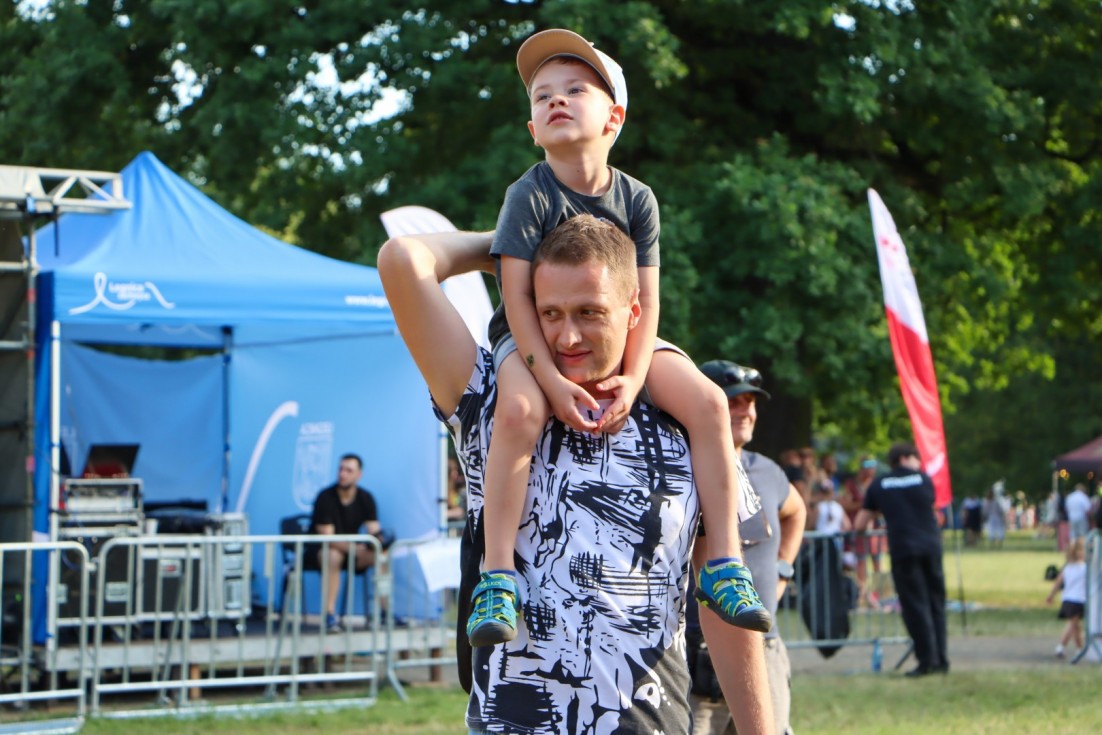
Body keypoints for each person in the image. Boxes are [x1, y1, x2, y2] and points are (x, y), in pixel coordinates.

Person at [378, 215, 773, 734]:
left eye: (589, 312)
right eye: (549, 313)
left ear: (634, 311)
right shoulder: (494, 403)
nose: (567, 336)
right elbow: (403, 261)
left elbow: (723, 603)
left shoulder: (688, 425)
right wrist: (510, 248)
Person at [474, 28, 767, 647]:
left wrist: (633, 379)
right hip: (532, 333)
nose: (555, 100)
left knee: (709, 402)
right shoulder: (528, 195)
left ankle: (723, 562)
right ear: (532, 129)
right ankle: (496, 575)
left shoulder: (638, 198)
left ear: (614, 117)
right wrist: (550, 381)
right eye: (541, 96)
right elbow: (516, 298)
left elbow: (647, 300)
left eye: (574, 90)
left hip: (621, 331)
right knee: (519, 411)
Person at [687, 360, 807, 735]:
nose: (746, 411)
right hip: (694, 650)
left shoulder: (767, 470)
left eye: (750, 402)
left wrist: (784, 569)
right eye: (733, 402)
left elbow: (796, 510)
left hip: (763, 647)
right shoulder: (677, 466)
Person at [854, 442, 949, 677]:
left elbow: (860, 524)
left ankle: (926, 660)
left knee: (915, 606)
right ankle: (941, 660)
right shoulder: (924, 479)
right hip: (931, 546)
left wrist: (880, 511)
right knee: (936, 603)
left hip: (904, 549)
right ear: (906, 457)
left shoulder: (880, 484)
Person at [310, 453, 381, 632]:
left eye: (349, 470)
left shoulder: (365, 498)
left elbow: (374, 530)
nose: (343, 474)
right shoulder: (325, 497)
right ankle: (329, 615)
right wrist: (355, 549)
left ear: (359, 475)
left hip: (351, 552)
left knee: (382, 556)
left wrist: (379, 542)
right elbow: (328, 537)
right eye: (341, 469)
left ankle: (386, 613)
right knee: (333, 555)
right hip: (320, 552)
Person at [1046, 538, 1087, 658]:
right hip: (1078, 600)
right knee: (1073, 626)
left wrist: (1051, 596)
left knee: (1075, 626)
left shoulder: (1067, 568)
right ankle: (1065, 647)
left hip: (1067, 600)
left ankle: (1076, 648)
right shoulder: (1084, 568)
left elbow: (1058, 583)